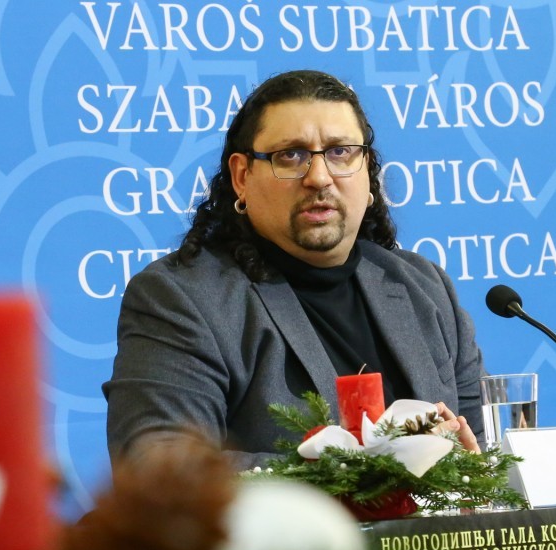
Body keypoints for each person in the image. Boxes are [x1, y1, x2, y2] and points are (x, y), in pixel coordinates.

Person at [104, 69, 483, 470]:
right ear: (242, 176)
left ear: (367, 169)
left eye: (340, 152)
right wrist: (351, 476)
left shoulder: (425, 287)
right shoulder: (183, 299)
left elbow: (484, 457)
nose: (319, 177)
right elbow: (157, 468)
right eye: (291, 155)